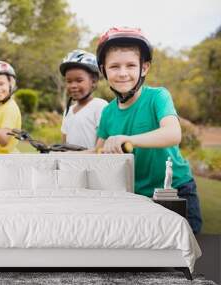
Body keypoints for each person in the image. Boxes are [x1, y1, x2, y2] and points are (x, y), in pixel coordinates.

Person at [94, 27, 202, 233]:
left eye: (130, 65)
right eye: (115, 66)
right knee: (145, 256)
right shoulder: (107, 111)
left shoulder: (158, 97)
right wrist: (59, 154)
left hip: (175, 190)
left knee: (185, 255)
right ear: (103, 70)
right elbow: (96, 151)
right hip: (136, 195)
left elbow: (172, 134)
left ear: (144, 68)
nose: (123, 72)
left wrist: (129, 139)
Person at [59, 49, 108, 149]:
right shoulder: (68, 111)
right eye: (69, 81)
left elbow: (101, 145)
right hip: (70, 163)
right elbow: (64, 142)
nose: (73, 85)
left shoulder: (99, 106)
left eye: (79, 80)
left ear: (93, 82)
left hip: (91, 163)